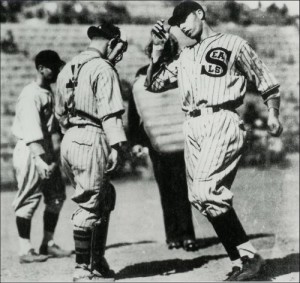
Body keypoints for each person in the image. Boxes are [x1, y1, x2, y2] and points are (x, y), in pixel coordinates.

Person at [145, 1, 283, 281]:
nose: (181, 25)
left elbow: (266, 80)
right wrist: (157, 50)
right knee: (198, 197)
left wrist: (274, 113)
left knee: (208, 190)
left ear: (200, 13)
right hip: (193, 125)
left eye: (184, 18)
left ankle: (249, 258)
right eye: (176, 22)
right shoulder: (184, 55)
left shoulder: (233, 43)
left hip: (222, 118)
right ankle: (242, 260)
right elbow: (154, 84)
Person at [55, 22, 128, 282]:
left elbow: (59, 113)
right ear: (112, 42)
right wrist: (118, 145)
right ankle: (82, 269)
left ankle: (96, 260)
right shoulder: (103, 68)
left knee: (105, 196)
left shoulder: (66, 68)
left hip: (70, 138)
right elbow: (110, 112)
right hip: (92, 135)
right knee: (90, 204)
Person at [128, 35, 197, 251]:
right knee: (166, 188)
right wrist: (136, 141)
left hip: (179, 138)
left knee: (181, 188)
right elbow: (136, 114)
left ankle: (186, 235)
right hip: (156, 142)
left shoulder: (180, 74)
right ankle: (174, 235)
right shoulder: (142, 77)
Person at [11, 50, 72, 263]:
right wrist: (39, 159)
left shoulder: (48, 91)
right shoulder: (31, 94)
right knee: (29, 198)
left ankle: (48, 242)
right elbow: (30, 131)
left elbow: (54, 128)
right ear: (41, 68)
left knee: (56, 196)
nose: (56, 71)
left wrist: (55, 156)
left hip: (46, 150)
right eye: (53, 67)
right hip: (31, 150)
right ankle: (25, 249)